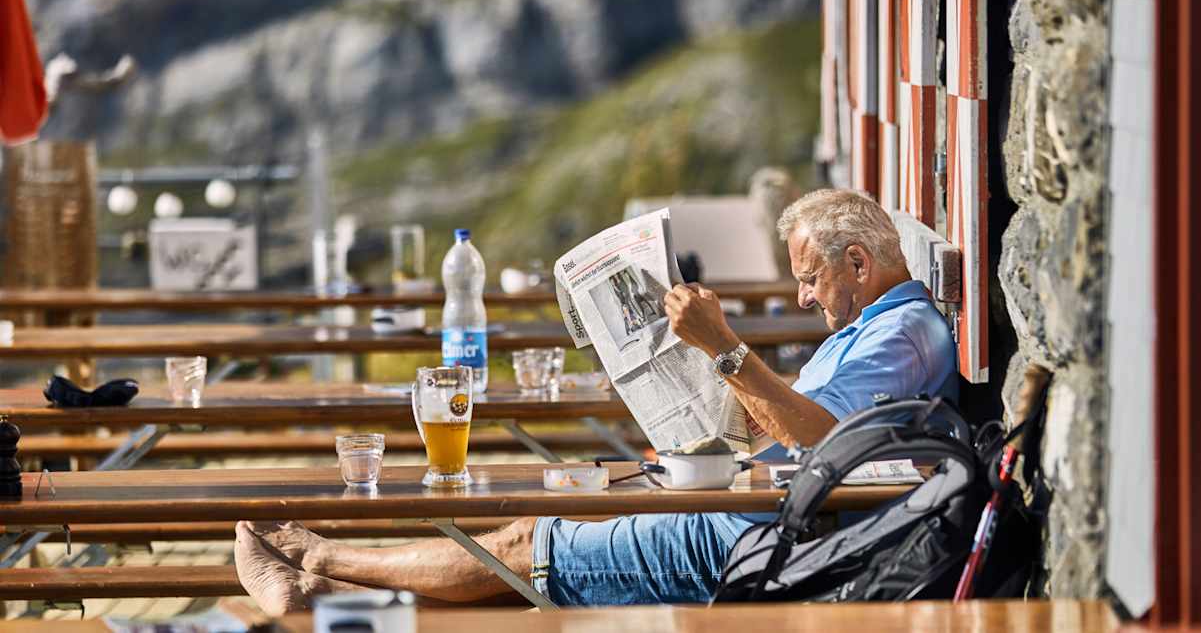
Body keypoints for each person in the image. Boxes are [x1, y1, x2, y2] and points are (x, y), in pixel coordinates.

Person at [234, 188, 958, 614]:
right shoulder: (881, 327)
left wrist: (722, 348)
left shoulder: (900, 335)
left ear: (856, 264)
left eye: (809, 278)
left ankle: (324, 565)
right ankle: (329, 594)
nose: (802, 296)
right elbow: (798, 428)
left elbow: (815, 437)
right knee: (549, 525)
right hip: (754, 510)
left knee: (529, 552)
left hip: (755, 542)